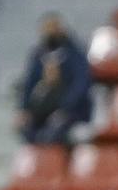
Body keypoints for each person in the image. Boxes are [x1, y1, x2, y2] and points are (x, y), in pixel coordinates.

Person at [17, 12, 93, 144]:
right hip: (43, 109)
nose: (50, 31)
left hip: (71, 111)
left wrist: (65, 107)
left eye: (53, 27)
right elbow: (29, 84)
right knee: (26, 127)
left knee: (56, 128)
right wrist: (24, 108)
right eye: (47, 28)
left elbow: (81, 84)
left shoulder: (74, 54)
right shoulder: (38, 55)